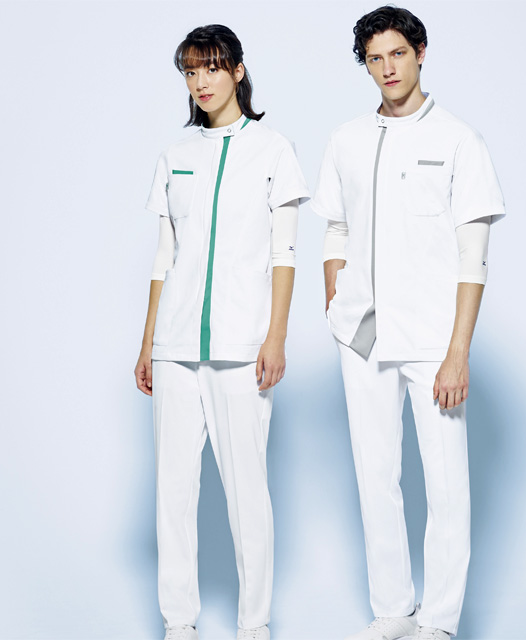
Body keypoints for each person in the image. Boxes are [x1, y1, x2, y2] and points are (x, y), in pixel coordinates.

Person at [311, 7, 506, 640]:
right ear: (365, 65)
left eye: (397, 53)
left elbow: (474, 257)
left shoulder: (459, 140)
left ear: (420, 52)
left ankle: (439, 622)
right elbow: (336, 228)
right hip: (362, 334)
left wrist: (458, 352)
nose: (387, 68)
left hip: (432, 338)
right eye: (375, 58)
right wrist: (335, 299)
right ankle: (394, 610)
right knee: (375, 477)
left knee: (446, 486)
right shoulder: (346, 139)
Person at [134, 24, 309, 640]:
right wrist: (148, 343)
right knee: (173, 492)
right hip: (175, 347)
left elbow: (284, 255)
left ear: (237, 70)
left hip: (242, 346)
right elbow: (164, 259)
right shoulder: (175, 156)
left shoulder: (274, 151)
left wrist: (276, 337)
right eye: (190, 70)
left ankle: (253, 625)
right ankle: (178, 623)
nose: (200, 81)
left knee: (247, 492)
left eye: (211, 67)